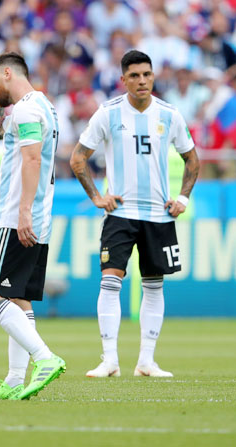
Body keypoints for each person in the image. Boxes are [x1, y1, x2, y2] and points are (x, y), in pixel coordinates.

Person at [69, 50, 199, 378]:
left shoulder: (170, 115)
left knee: (154, 286)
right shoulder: (108, 114)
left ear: (153, 76)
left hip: (159, 214)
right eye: (135, 76)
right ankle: (109, 359)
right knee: (110, 280)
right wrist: (98, 196)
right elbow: (77, 159)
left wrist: (182, 197)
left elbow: (193, 160)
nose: (142, 81)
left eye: (147, 74)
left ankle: (146, 361)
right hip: (121, 213)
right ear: (123, 80)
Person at [0, 52, 65, 401]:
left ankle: (44, 358)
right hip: (36, 215)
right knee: (19, 299)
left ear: (8, 73)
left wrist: (22, 212)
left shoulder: (27, 110)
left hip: (14, 217)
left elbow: (31, 158)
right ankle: (15, 379)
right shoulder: (42, 107)